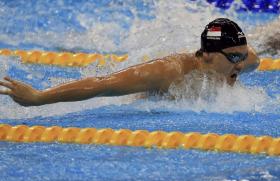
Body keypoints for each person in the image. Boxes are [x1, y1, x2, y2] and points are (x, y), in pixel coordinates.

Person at [0, 18, 259, 107]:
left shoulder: (245, 61)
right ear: (208, 56)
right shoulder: (168, 72)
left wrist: (242, 56)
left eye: (243, 56)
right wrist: (39, 97)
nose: (241, 65)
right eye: (235, 58)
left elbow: (251, 58)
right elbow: (103, 84)